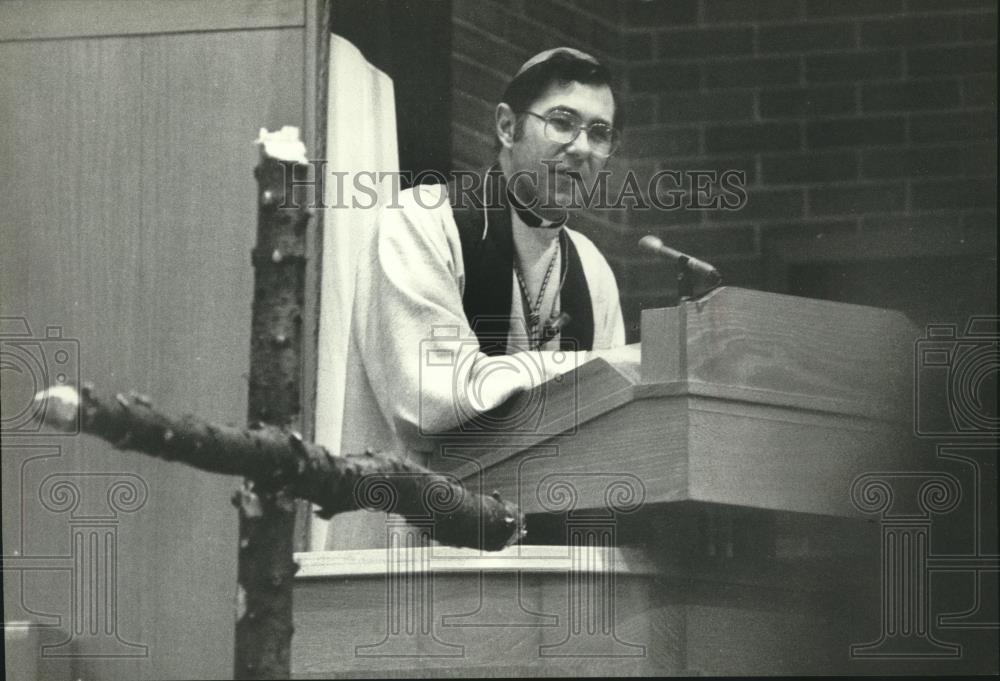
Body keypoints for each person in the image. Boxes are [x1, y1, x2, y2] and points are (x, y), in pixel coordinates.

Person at [327, 49, 631, 547]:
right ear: (507, 128)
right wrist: (592, 368)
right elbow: (432, 400)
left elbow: (605, 417)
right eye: (562, 122)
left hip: (539, 558)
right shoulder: (421, 223)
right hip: (407, 552)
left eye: (600, 133)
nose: (582, 148)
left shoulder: (592, 267)